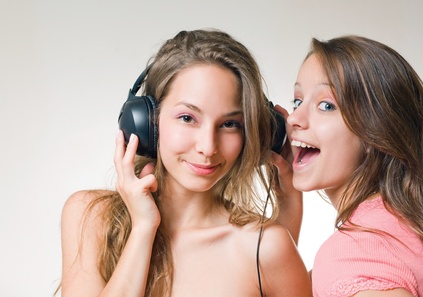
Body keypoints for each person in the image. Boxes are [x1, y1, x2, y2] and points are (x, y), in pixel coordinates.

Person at [59, 29, 312, 297]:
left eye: (230, 124)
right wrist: (144, 229)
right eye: (187, 118)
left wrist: (290, 198)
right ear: (147, 122)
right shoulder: (89, 216)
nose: (208, 147)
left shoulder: (266, 247)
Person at [274, 35, 423, 296]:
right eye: (297, 102)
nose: (295, 119)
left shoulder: (354, 254)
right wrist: (289, 199)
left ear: (374, 133)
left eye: (326, 105)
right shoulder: (409, 226)